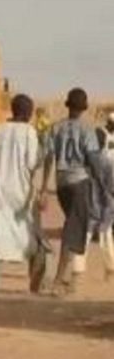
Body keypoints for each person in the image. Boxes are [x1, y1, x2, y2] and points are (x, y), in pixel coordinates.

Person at [0, 94, 50, 294]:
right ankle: (37, 284)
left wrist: (0, 175)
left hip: (1, 192)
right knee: (33, 235)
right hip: (23, 192)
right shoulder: (29, 132)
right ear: (28, 113)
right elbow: (32, 163)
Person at [40, 88, 100, 295]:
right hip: (80, 182)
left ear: (68, 106)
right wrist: (100, 182)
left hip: (61, 183)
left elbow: (49, 157)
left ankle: (67, 278)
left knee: (73, 225)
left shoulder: (56, 128)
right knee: (72, 230)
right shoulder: (87, 130)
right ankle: (58, 280)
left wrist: (44, 187)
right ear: (83, 108)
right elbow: (92, 159)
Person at [72, 117, 114, 281]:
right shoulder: (107, 163)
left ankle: (78, 272)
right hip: (105, 207)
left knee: (83, 238)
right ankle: (110, 269)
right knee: (106, 237)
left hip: (88, 206)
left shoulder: (82, 163)